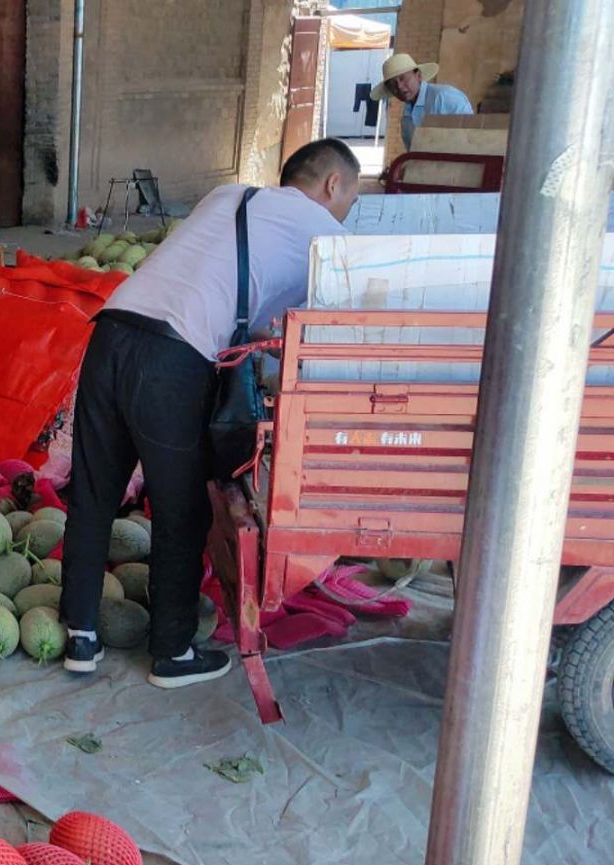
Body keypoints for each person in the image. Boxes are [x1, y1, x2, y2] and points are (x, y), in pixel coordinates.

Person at [59, 138, 361, 688]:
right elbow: (333, 325)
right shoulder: (327, 236)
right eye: (349, 200)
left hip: (112, 330)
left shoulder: (226, 195)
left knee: (94, 493)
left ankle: (80, 635)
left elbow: (241, 302)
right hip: (171, 357)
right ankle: (172, 652)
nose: (345, 213)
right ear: (333, 185)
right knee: (181, 509)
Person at [383, 52, 474, 149]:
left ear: (418, 75)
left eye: (403, 78)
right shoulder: (407, 116)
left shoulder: (444, 97)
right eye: (393, 84)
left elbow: (469, 137)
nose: (399, 87)